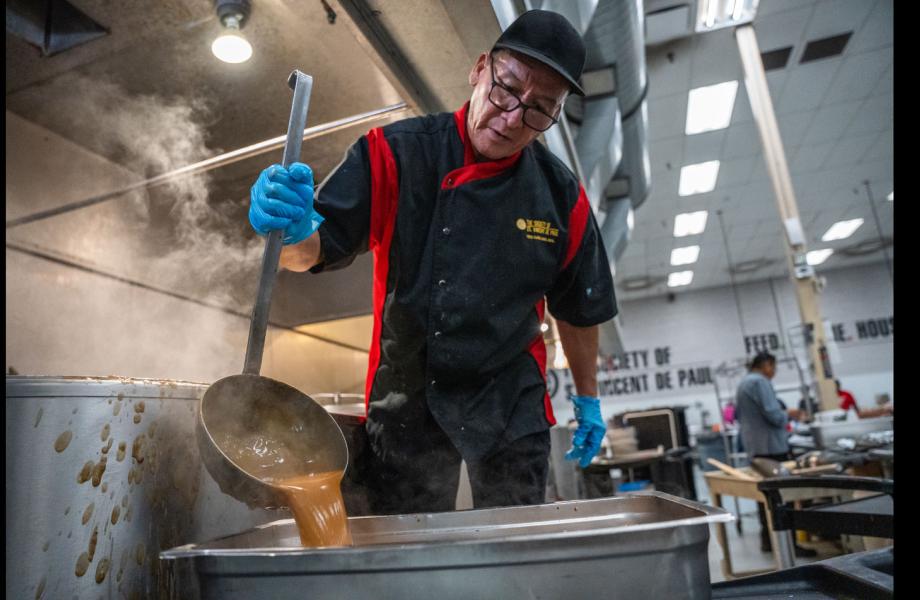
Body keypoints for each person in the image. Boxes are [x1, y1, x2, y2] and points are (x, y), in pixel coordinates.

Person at [247, 10, 616, 514]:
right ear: (480, 69)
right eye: (506, 90)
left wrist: (588, 399)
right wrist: (288, 228)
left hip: (510, 405)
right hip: (406, 395)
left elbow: (579, 308)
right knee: (403, 557)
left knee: (514, 550)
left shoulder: (562, 196)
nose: (512, 118)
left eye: (539, 110)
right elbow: (311, 252)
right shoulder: (394, 153)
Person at [735, 351, 816, 557]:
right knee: (782, 496)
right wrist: (788, 415)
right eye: (774, 367)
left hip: (757, 446)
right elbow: (773, 414)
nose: (774, 372)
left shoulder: (745, 383)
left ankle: (768, 540)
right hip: (771, 447)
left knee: (766, 496)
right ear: (766, 365)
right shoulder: (759, 382)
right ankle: (788, 544)